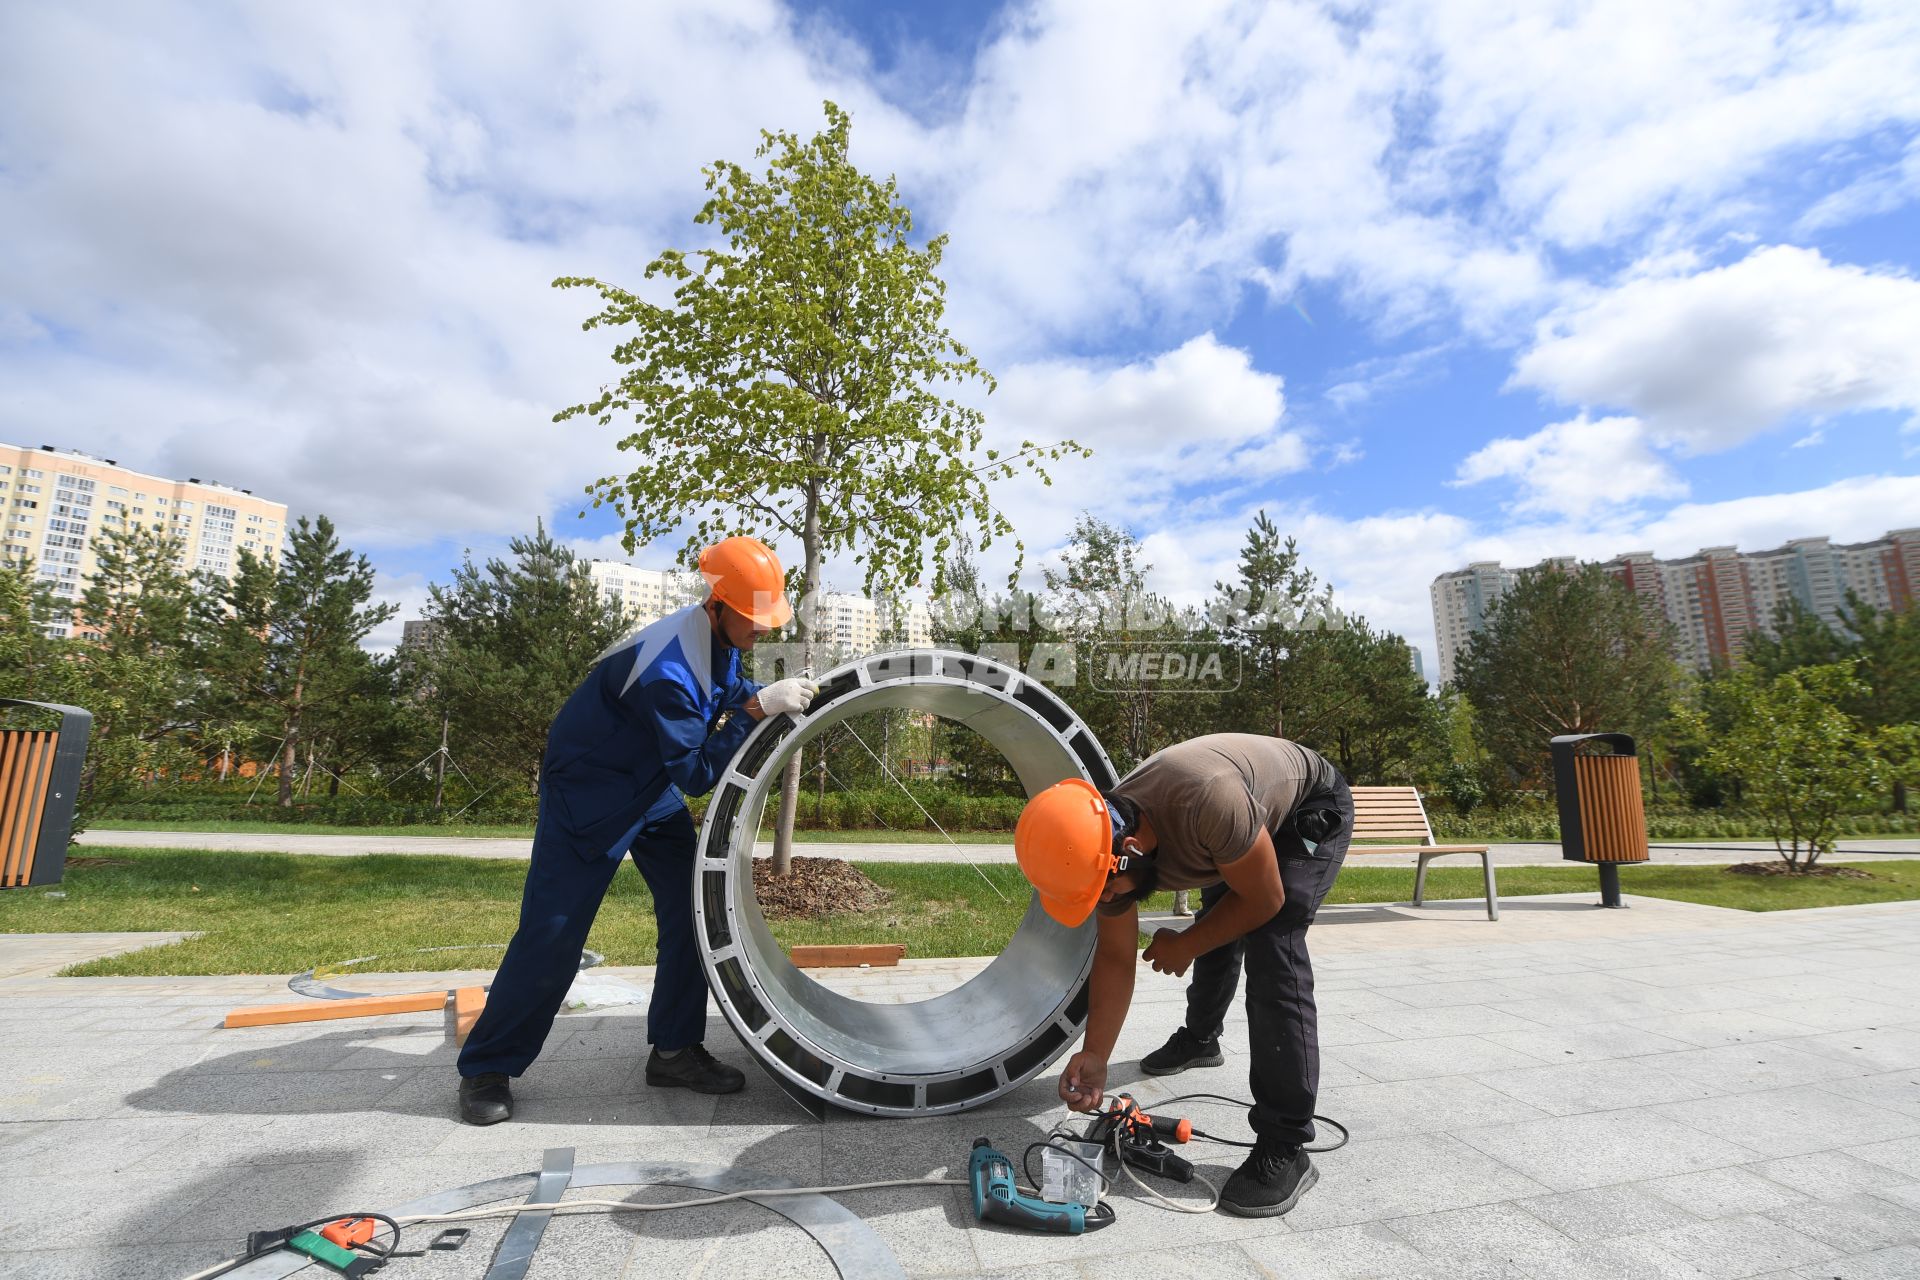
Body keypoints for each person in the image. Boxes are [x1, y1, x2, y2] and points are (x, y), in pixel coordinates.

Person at [456, 536, 819, 1125]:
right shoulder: (668, 668)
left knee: (692, 909)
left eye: (766, 619)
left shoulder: (715, 640)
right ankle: (487, 1067)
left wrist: (761, 698)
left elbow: (725, 695)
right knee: (554, 933)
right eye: (753, 619)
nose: (763, 631)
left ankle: (674, 1052)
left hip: (649, 787)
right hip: (590, 793)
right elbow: (699, 771)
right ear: (718, 603)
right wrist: (756, 712)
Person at [1013, 733, 1350, 1217]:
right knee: (1222, 912)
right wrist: (1096, 1056)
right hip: (1235, 825)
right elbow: (1114, 957)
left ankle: (1286, 1143)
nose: (1107, 902)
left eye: (1105, 894)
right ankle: (1200, 1040)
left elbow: (1265, 898)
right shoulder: (1099, 846)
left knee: (1273, 934)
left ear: (1129, 849)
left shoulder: (1205, 801)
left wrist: (1188, 946)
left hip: (1305, 808)